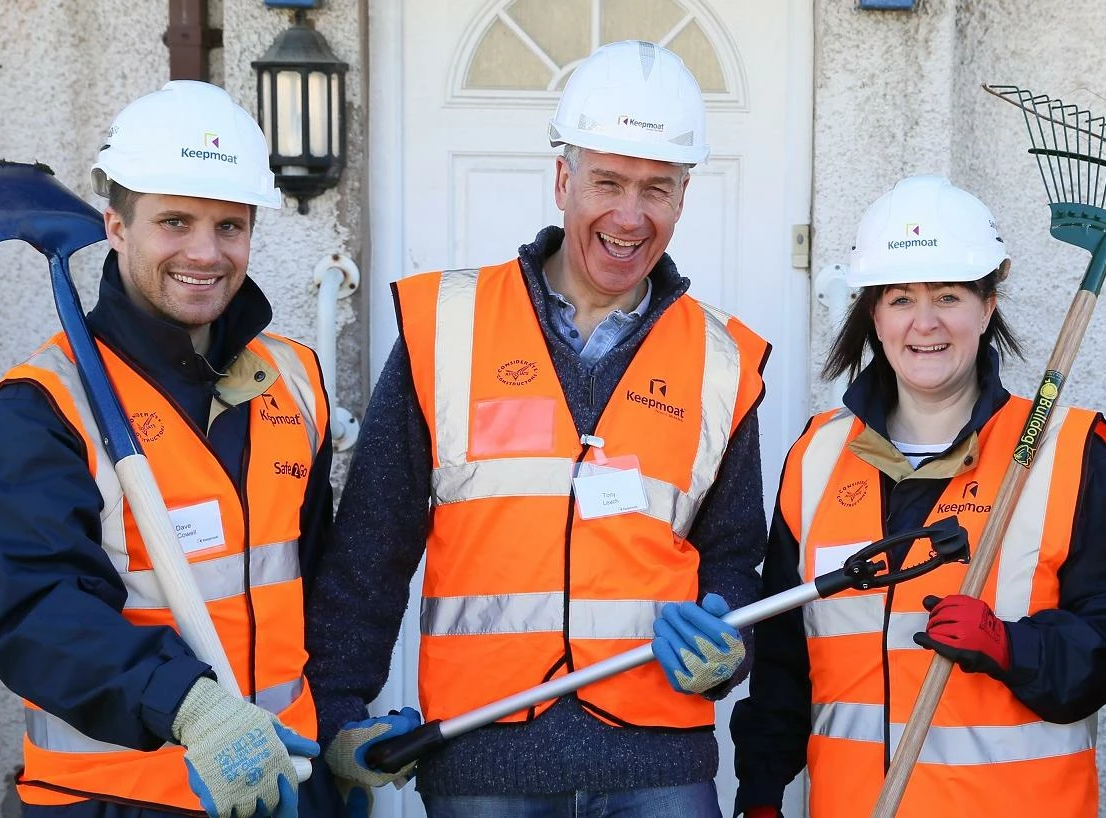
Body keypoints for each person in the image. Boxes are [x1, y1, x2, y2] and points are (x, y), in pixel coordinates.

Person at [304, 40, 770, 817]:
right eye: (608, 182)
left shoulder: (725, 361)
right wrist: (338, 715)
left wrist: (728, 650)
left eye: (656, 188)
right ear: (563, 179)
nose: (630, 215)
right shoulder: (445, 329)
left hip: (659, 765)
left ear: (683, 199)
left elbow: (733, 561)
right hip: (483, 760)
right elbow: (368, 551)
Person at [0, 80, 339, 817]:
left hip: (281, 780)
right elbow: (38, 616)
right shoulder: (42, 408)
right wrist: (189, 705)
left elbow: (318, 580)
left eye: (230, 225)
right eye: (175, 222)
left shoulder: (293, 382)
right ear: (117, 226)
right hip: (118, 798)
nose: (206, 251)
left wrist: (340, 725)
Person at [730, 175, 1106, 818]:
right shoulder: (816, 458)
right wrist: (759, 793)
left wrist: (1011, 648)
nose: (924, 324)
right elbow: (785, 659)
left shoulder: (1069, 450)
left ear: (987, 305)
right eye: (900, 298)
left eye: (948, 295)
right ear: (874, 313)